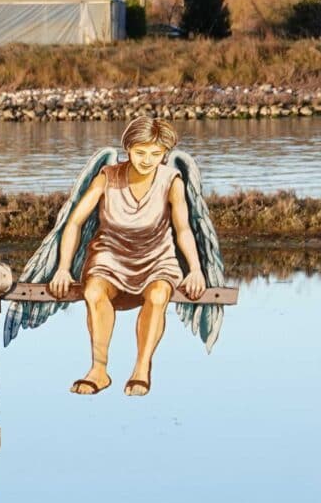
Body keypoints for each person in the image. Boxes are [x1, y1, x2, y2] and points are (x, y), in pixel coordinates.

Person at [12, 117, 221, 398]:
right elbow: (73, 223)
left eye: (156, 154)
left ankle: (142, 368)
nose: (147, 160)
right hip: (109, 255)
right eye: (140, 152)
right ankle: (98, 369)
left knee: (159, 294)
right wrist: (62, 269)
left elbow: (183, 229)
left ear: (165, 154)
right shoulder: (107, 176)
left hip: (156, 258)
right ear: (128, 149)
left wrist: (195, 270)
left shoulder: (171, 181)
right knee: (94, 290)